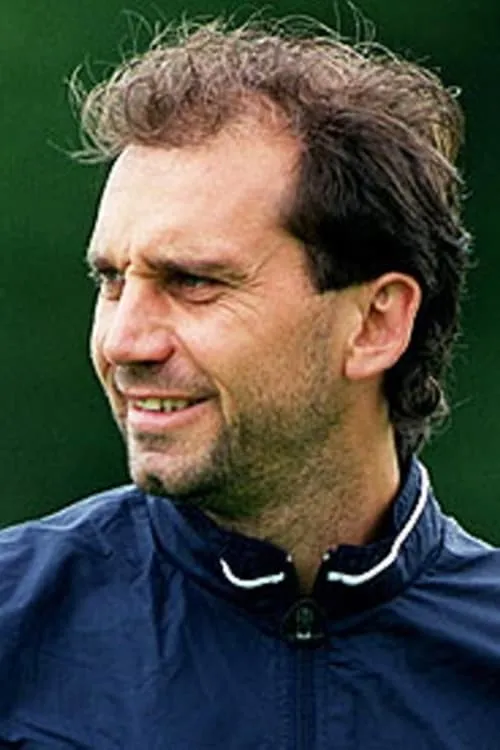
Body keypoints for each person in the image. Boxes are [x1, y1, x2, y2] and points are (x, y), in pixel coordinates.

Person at [0, 16, 498, 750]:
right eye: (112, 281)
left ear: (375, 323)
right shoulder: (16, 630)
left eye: (193, 281)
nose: (123, 342)